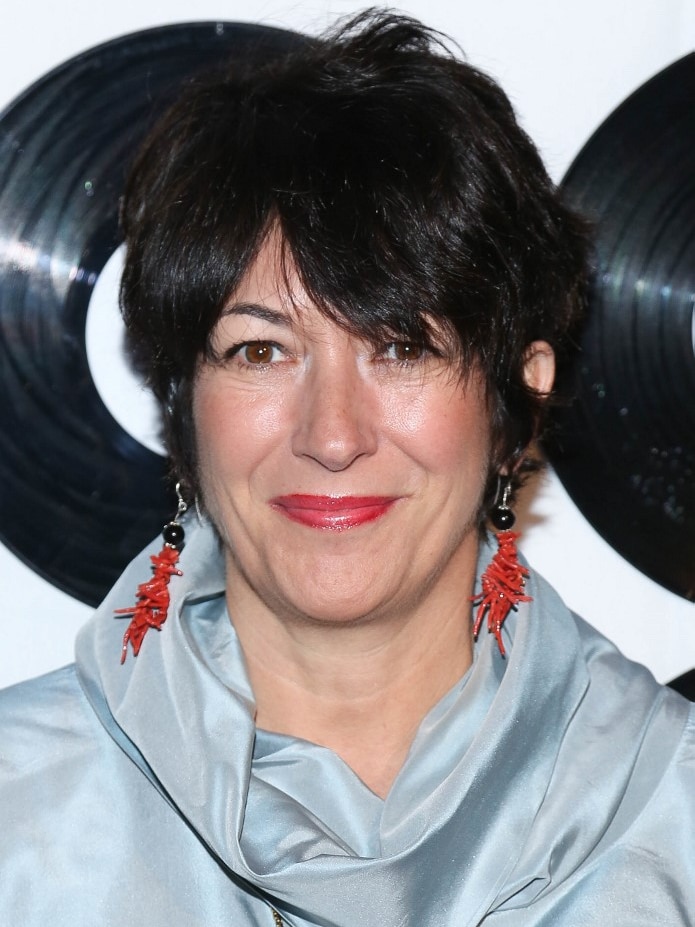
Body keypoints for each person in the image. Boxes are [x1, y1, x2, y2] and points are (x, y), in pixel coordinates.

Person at [1, 10, 694, 925]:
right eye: (259, 352)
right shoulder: (21, 812)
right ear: (183, 402)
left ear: (515, 399)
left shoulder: (667, 809)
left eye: (401, 347)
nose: (332, 435)